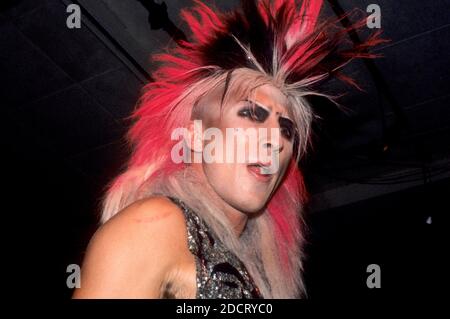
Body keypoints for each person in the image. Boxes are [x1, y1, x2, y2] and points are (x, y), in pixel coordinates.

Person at [73, 0, 384, 299]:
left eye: (287, 130)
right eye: (252, 113)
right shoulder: (155, 225)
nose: (275, 140)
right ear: (196, 136)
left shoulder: (259, 273)